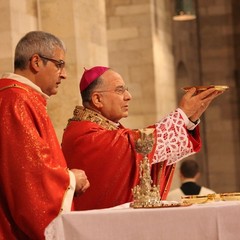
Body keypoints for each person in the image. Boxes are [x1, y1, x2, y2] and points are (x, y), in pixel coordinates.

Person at [61, 66, 223, 210]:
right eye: (119, 90)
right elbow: (135, 146)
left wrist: (189, 119)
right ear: (97, 99)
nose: (128, 96)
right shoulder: (83, 133)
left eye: (126, 89)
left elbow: (144, 155)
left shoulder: (106, 128)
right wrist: (182, 115)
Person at [0, 31, 90, 240]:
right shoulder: (16, 101)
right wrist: (70, 179)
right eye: (59, 64)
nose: (64, 74)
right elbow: (27, 172)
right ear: (36, 62)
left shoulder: (19, 97)